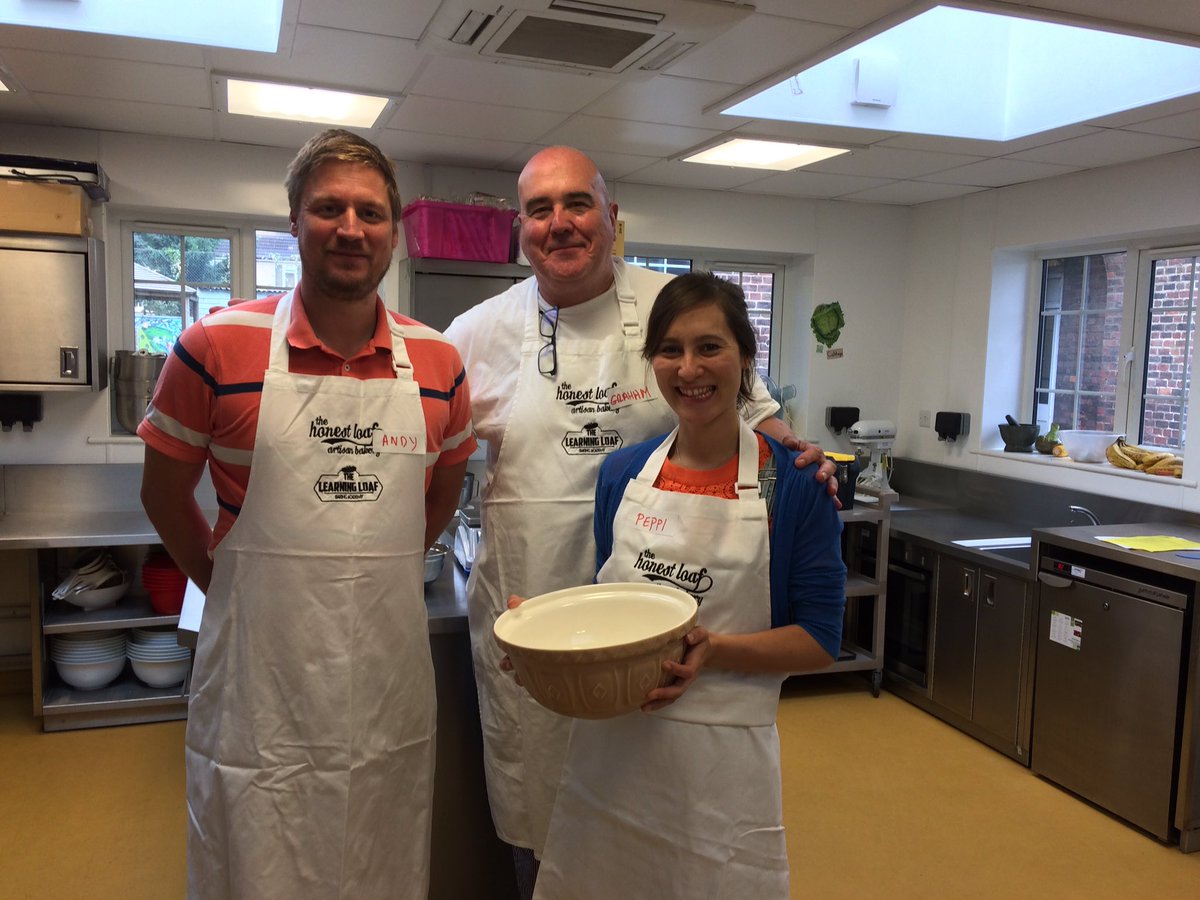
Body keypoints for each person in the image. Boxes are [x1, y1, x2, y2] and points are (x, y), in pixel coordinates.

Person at [444, 145, 839, 893]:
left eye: (578, 204)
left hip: (651, 630)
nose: (560, 224)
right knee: (544, 817)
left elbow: (755, 417)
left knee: (652, 825)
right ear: (518, 228)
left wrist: (803, 460)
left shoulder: (670, 305)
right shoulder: (475, 334)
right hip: (531, 614)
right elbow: (430, 452)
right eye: (539, 209)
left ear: (612, 218)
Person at [137, 129, 475, 899]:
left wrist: (374, 572)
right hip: (262, 680)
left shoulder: (437, 363)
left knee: (379, 853)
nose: (350, 229)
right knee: (255, 853)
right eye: (328, 208)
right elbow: (164, 495)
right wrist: (233, 586)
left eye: (369, 211)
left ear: (395, 229)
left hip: (386, 678)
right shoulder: (214, 346)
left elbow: (440, 498)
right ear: (294, 221)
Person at [530, 272, 847, 899]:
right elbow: (608, 604)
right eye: (670, 349)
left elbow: (820, 639)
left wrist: (716, 650)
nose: (689, 367)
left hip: (722, 763)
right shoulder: (622, 474)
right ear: (652, 363)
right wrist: (545, 649)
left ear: (746, 360)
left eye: (710, 346)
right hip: (613, 749)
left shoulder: (795, 486)